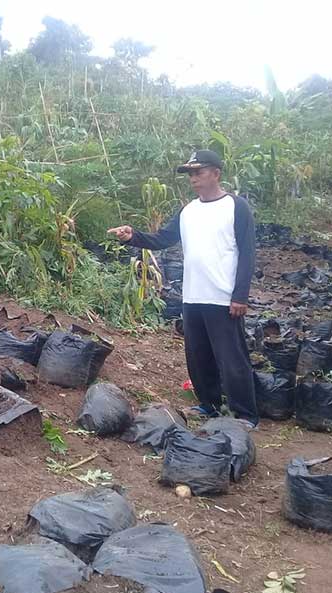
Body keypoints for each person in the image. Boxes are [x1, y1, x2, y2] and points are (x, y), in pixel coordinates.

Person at [108, 149, 259, 426]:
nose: (193, 178)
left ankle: (246, 414)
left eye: (198, 172)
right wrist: (132, 237)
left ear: (216, 173)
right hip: (193, 295)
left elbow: (247, 254)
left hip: (223, 296)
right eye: (190, 173)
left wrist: (240, 296)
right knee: (198, 356)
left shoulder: (236, 207)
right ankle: (209, 404)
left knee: (232, 358)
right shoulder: (188, 211)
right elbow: (163, 239)